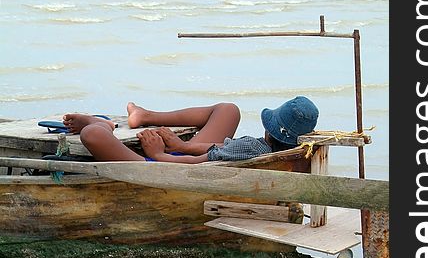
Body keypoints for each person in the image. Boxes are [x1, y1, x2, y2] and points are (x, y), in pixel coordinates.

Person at [62, 96, 319, 164]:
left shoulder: (253, 147)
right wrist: (182, 145)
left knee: (92, 135)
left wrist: (161, 154)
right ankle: (144, 115)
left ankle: (102, 124)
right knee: (228, 110)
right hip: (184, 157)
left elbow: (199, 165)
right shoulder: (278, 153)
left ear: (268, 130)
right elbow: (219, 151)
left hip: (162, 169)